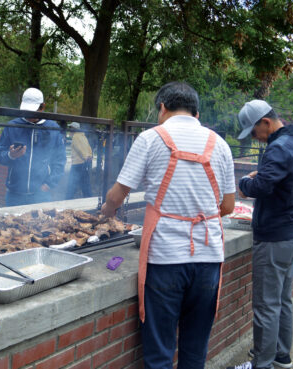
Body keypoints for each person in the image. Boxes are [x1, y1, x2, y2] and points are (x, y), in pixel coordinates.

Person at [101, 81, 236, 369]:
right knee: (195, 349)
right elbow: (228, 206)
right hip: (209, 259)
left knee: (160, 352)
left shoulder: (151, 139)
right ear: (196, 113)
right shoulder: (220, 144)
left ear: (162, 107)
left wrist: (106, 210)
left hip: (165, 260)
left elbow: (119, 192)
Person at [227, 100, 293, 369]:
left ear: (266, 122)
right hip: (290, 234)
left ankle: (261, 364)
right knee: (282, 301)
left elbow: (260, 187)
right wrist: (262, 173)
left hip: (273, 239)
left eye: (253, 131)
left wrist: (243, 183)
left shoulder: (278, 147)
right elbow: (279, 178)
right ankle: (281, 356)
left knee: (265, 306)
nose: (254, 137)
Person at [0, 87, 66, 206]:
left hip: (41, 194)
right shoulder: (12, 126)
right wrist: (10, 155)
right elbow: (0, 155)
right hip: (14, 194)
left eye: (32, 110)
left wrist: (49, 184)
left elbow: (60, 160)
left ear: (42, 107)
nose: (28, 114)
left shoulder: (53, 128)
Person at [66, 122, 92, 199]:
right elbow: (88, 148)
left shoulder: (76, 137)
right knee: (86, 186)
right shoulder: (83, 136)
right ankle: (89, 200)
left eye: (70, 128)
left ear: (74, 129)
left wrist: (85, 156)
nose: (69, 129)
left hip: (77, 164)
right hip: (84, 163)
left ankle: (67, 201)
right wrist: (89, 156)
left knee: (71, 185)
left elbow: (79, 148)